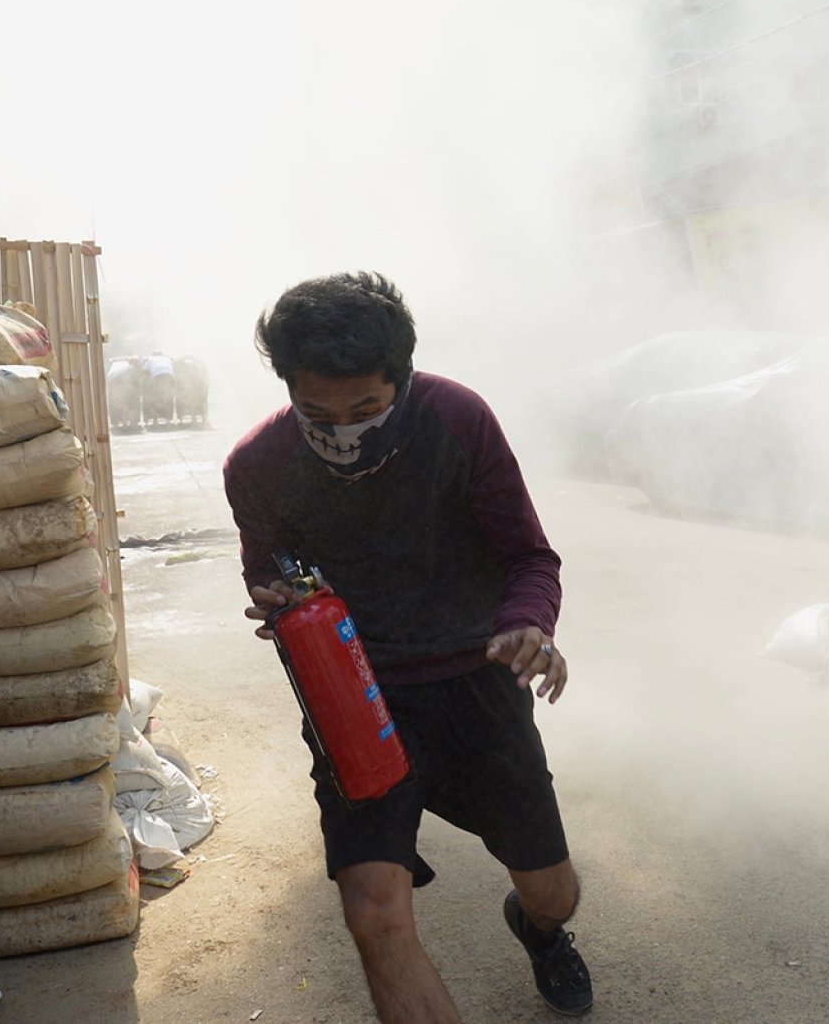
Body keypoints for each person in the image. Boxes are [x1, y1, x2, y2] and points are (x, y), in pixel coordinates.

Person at [223, 272, 591, 1021]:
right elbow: (268, 567)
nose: (342, 428)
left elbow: (528, 557)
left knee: (553, 890)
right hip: (355, 697)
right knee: (375, 914)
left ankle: (540, 931)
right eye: (316, 411)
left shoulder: (458, 420)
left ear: (404, 378)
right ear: (287, 387)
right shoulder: (258, 464)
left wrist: (528, 622)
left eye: (365, 407)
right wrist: (283, 601)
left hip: (474, 682)